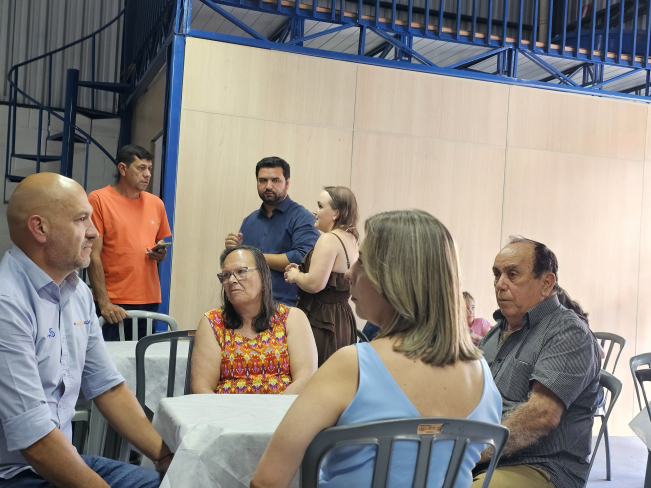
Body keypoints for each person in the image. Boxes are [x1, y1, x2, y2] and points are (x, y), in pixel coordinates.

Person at [251, 210, 502, 488]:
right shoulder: (482, 375)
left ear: (395, 279)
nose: (348, 273)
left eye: (362, 262)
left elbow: (267, 481)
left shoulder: (353, 366)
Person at [0, 173, 173, 488]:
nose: (94, 231)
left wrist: (166, 459)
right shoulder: (7, 302)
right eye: (81, 219)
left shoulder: (77, 291)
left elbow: (108, 388)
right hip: (15, 473)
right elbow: (35, 440)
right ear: (40, 228)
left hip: (63, 458)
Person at [472, 236, 601, 488]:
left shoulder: (568, 333)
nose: (500, 284)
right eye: (497, 274)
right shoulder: (495, 332)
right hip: (487, 456)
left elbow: (542, 416)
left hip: (540, 465)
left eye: (512, 274)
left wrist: (472, 452)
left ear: (546, 283)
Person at [191, 245, 318, 394]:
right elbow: (202, 388)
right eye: (226, 275)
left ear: (263, 276)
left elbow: (306, 379)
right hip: (225, 408)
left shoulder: (292, 318)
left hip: (283, 407)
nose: (231, 280)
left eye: (241, 272)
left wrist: (274, 408)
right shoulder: (212, 322)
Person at [88, 144, 172, 341]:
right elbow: (93, 255)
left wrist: (160, 254)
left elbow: (158, 243)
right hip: (114, 301)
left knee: (142, 358)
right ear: (123, 169)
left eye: (149, 169)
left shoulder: (156, 204)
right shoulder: (98, 199)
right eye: (141, 168)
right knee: (110, 358)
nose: (147, 174)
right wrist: (104, 302)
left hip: (149, 298)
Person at [225, 157, 320, 306]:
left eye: (275, 180)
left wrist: (252, 257)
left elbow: (302, 258)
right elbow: (240, 268)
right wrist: (234, 252)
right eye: (263, 180)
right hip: (248, 307)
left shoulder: (303, 217)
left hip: (287, 307)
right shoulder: (249, 221)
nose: (268, 186)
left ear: (287, 183)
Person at [285, 186, 360, 366]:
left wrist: (295, 275)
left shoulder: (328, 239)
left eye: (320, 206)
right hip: (343, 319)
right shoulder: (352, 239)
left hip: (322, 319)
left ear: (336, 213)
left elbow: (314, 284)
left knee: (316, 373)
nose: (315, 212)